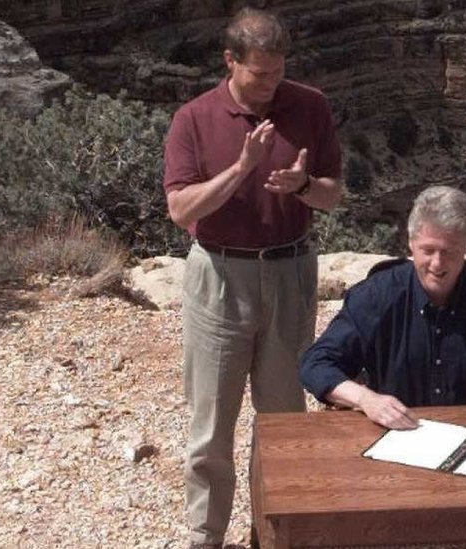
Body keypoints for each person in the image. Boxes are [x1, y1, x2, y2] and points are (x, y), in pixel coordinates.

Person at [161, 7, 342, 548]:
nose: (271, 84)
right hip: (218, 273)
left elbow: (333, 195)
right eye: (259, 73)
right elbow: (179, 207)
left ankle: (278, 530)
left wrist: (304, 184)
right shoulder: (193, 118)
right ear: (230, 61)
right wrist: (241, 168)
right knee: (212, 420)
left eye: (278, 72)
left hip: (290, 271)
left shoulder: (310, 106)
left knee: (286, 416)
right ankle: (205, 535)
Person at [299, 186, 466, 430]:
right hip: (392, 436)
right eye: (428, 250)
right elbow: (317, 364)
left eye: (449, 252)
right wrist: (366, 400)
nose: (437, 264)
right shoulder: (375, 298)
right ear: (410, 243)